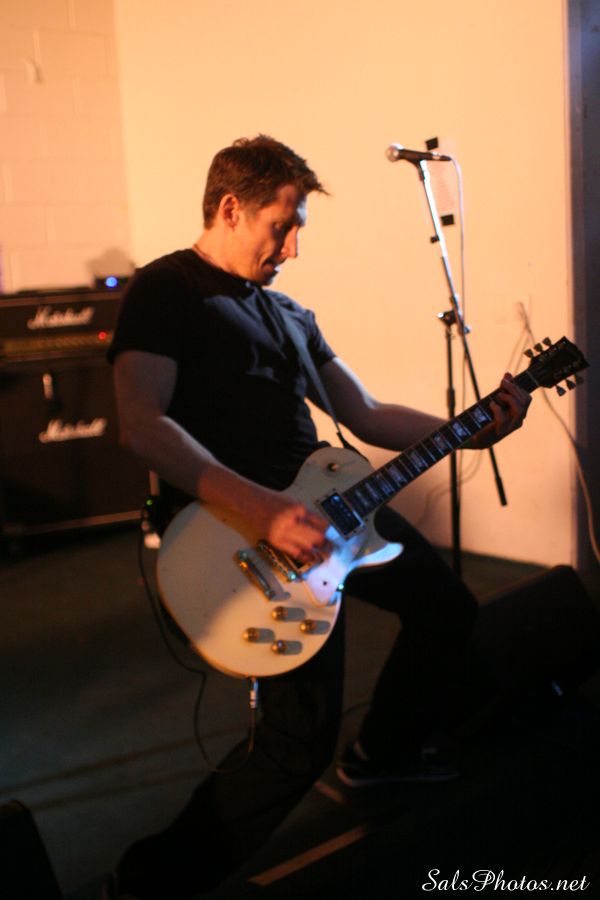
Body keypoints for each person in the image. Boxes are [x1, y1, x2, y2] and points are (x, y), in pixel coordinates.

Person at [106, 135, 531, 899]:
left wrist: (473, 426)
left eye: (297, 229)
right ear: (230, 208)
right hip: (243, 532)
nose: (293, 248)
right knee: (295, 745)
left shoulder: (288, 313)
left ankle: (381, 755)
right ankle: (144, 884)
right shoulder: (166, 290)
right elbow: (142, 423)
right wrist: (263, 509)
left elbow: (364, 414)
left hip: (333, 512)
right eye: (282, 226)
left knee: (445, 607)